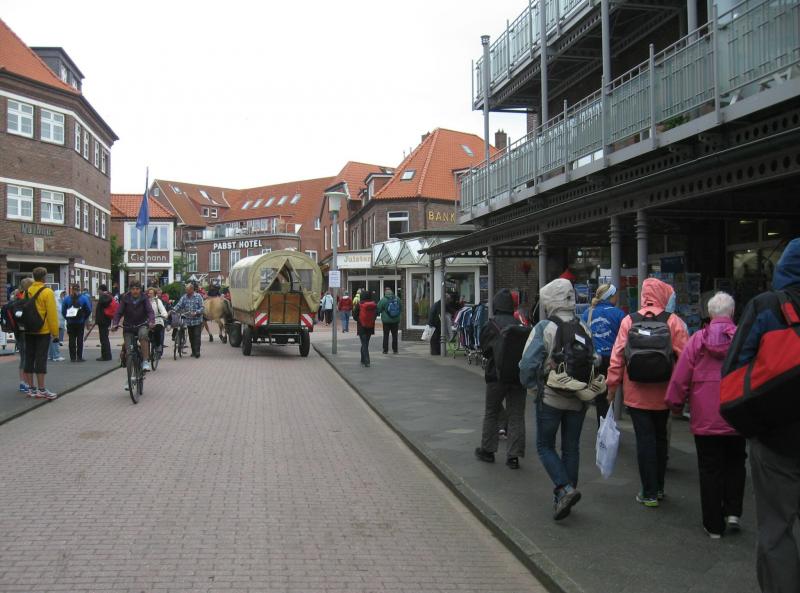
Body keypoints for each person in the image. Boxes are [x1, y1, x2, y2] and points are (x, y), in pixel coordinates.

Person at [722, 237, 800, 592]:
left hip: (775, 437)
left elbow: (734, 373)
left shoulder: (768, 306)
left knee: (776, 528)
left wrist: (752, 427)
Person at [665, 291, 743, 539]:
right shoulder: (742, 338)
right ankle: (733, 512)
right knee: (736, 463)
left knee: (710, 469)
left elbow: (682, 375)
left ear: (709, 313)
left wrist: (675, 403)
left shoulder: (698, 339)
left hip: (705, 416)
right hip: (736, 413)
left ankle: (713, 525)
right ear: (732, 312)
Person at [607, 278, 688, 507]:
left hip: (636, 393)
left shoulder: (629, 321)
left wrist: (612, 387)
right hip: (664, 393)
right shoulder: (673, 321)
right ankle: (659, 488)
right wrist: (683, 391)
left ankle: (648, 492)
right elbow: (686, 358)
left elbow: (617, 356)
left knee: (644, 441)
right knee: (661, 439)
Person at [519, 278, 589, 520]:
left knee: (545, 445)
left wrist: (532, 387)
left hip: (550, 396)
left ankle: (565, 489)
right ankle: (565, 495)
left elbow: (527, 364)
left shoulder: (544, 328)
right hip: (578, 397)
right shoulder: (583, 326)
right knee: (571, 448)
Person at [475, 288, 527, 470]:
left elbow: (485, 350)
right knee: (517, 415)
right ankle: (514, 457)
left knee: (491, 412)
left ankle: (488, 451)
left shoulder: (491, 325)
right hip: (518, 377)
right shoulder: (520, 324)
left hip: (496, 376)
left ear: (496, 305)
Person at [581, 283, 625, 426]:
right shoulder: (619, 314)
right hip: (613, 360)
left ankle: (603, 428)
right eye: (616, 295)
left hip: (594, 360)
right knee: (612, 393)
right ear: (610, 296)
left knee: (599, 396)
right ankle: (609, 427)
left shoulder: (588, 313)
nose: (617, 297)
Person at [22, 267, 60, 399]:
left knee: (29, 358)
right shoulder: (47, 292)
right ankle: (42, 389)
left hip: (28, 329)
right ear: (44, 277)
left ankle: (31, 388)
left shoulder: (27, 291)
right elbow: (52, 314)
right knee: (40, 359)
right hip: (42, 330)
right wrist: (55, 333)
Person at [112, 281, 155, 373]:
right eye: (133, 289)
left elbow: (150, 311)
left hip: (141, 324)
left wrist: (151, 321)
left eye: (137, 289)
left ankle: (145, 361)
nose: (135, 291)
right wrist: (115, 323)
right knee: (129, 350)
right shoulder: (125, 298)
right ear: (130, 290)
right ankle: (130, 372)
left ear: (140, 290)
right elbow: (118, 312)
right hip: (128, 326)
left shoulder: (144, 298)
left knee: (143, 335)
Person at [172, 282, 205, 358]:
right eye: (186, 290)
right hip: (189, 321)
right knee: (191, 337)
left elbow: (202, 308)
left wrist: (196, 312)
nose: (186, 291)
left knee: (197, 336)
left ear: (192, 289)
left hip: (197, 320)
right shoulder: (184, 297)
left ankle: (197, 352)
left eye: (187, 290)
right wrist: (173, 310)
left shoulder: (198, 296)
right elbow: (179, 305)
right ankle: (193, 351)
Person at [12, 278, 33, 393]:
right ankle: (25, 383)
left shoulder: (17, 298)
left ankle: (24, 382)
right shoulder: (24, 300)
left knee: (24, 358)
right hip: (24, 333)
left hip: (18, 332)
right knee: (26, 358)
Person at [61, 283, 92, 363]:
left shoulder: (67, 299)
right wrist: (84, 318)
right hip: (80, 322)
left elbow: (63, 311)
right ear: (79, 289)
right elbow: (89, 310)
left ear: (71, 290)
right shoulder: (84, 298)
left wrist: (67, 318)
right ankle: (79, 357)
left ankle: (72, 357)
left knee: (71, 339)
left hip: (70, 322)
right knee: (80, 339)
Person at [354, 290, 377, 367]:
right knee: (366, 343)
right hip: (370, 327)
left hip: (361, 327)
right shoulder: (373, 304)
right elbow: (376, 315)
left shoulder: (359, 304)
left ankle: (367, 361)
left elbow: (354, 316)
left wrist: (360, 320)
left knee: (364, 343)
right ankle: (362, 359)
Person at [377, 288, 401, 354]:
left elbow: (378, 309)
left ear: (385, 293)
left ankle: (385, 350)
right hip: (395, 321)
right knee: (395, 336)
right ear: (392, 293)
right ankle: (395, 350)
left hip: (386, 321)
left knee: (386, 335)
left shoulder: (383, 300)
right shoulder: (397, 299)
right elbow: (400, 308)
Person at [94, 284, 115, 361]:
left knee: (103, 339)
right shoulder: (109, 296)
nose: (98, 291)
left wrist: (97, 319)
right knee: (105, 338)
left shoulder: (103, 297)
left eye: (98, 290)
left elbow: (101, 309)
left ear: (101, 290)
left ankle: (105, 355)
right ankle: (107, 355)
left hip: (103, 320)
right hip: (106, 320)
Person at [146, 287, 168, 356]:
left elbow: (163, 310)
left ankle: (158, 345)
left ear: (154, 294)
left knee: (157, 331)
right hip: (148, 321)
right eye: (148, 293)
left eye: (151, 293)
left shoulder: (158, 301)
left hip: (157, 320)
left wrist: (164, 315)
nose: (149, 295)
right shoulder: (145, 302)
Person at [49, 289, 66, 362]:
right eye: (62, 294)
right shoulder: (56, 302)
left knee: (52, 340)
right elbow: (58, 312)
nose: (63, 296)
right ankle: (56, 355)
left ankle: (51, 355)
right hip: (56, 323)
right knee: (55, 339)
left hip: (59, 322)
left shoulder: (60, 301)